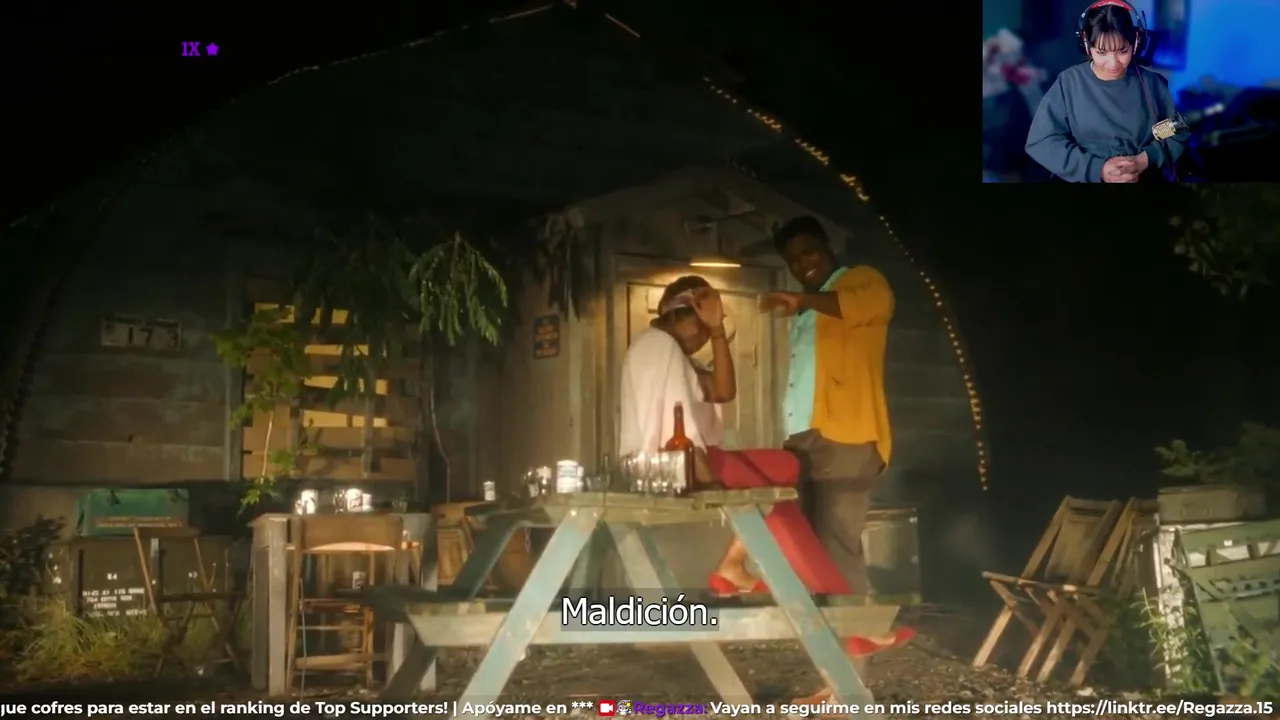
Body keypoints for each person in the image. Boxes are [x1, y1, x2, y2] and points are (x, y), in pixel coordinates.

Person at [760, 215, 915, 705]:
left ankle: (852, 688)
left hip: (846, 436)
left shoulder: (861, 281)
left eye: (808, 252)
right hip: (803, 439)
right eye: (792, 260)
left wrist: (803, 300)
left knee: (838, 551)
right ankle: (834, 681)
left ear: (827, 247)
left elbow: (869, 307)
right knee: (812, 562)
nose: (801, 264)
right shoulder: (810, 308)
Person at [1025, 1, 1187, 183]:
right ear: (1087, 45)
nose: (1113, 63)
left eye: (1122, 51)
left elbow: (1176, 130)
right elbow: (1043, 141)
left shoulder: (1152, 85)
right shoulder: (1069, 83)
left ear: (1135, 44)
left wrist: (1143, 160)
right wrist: (1098, 169)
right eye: (1102, 52)